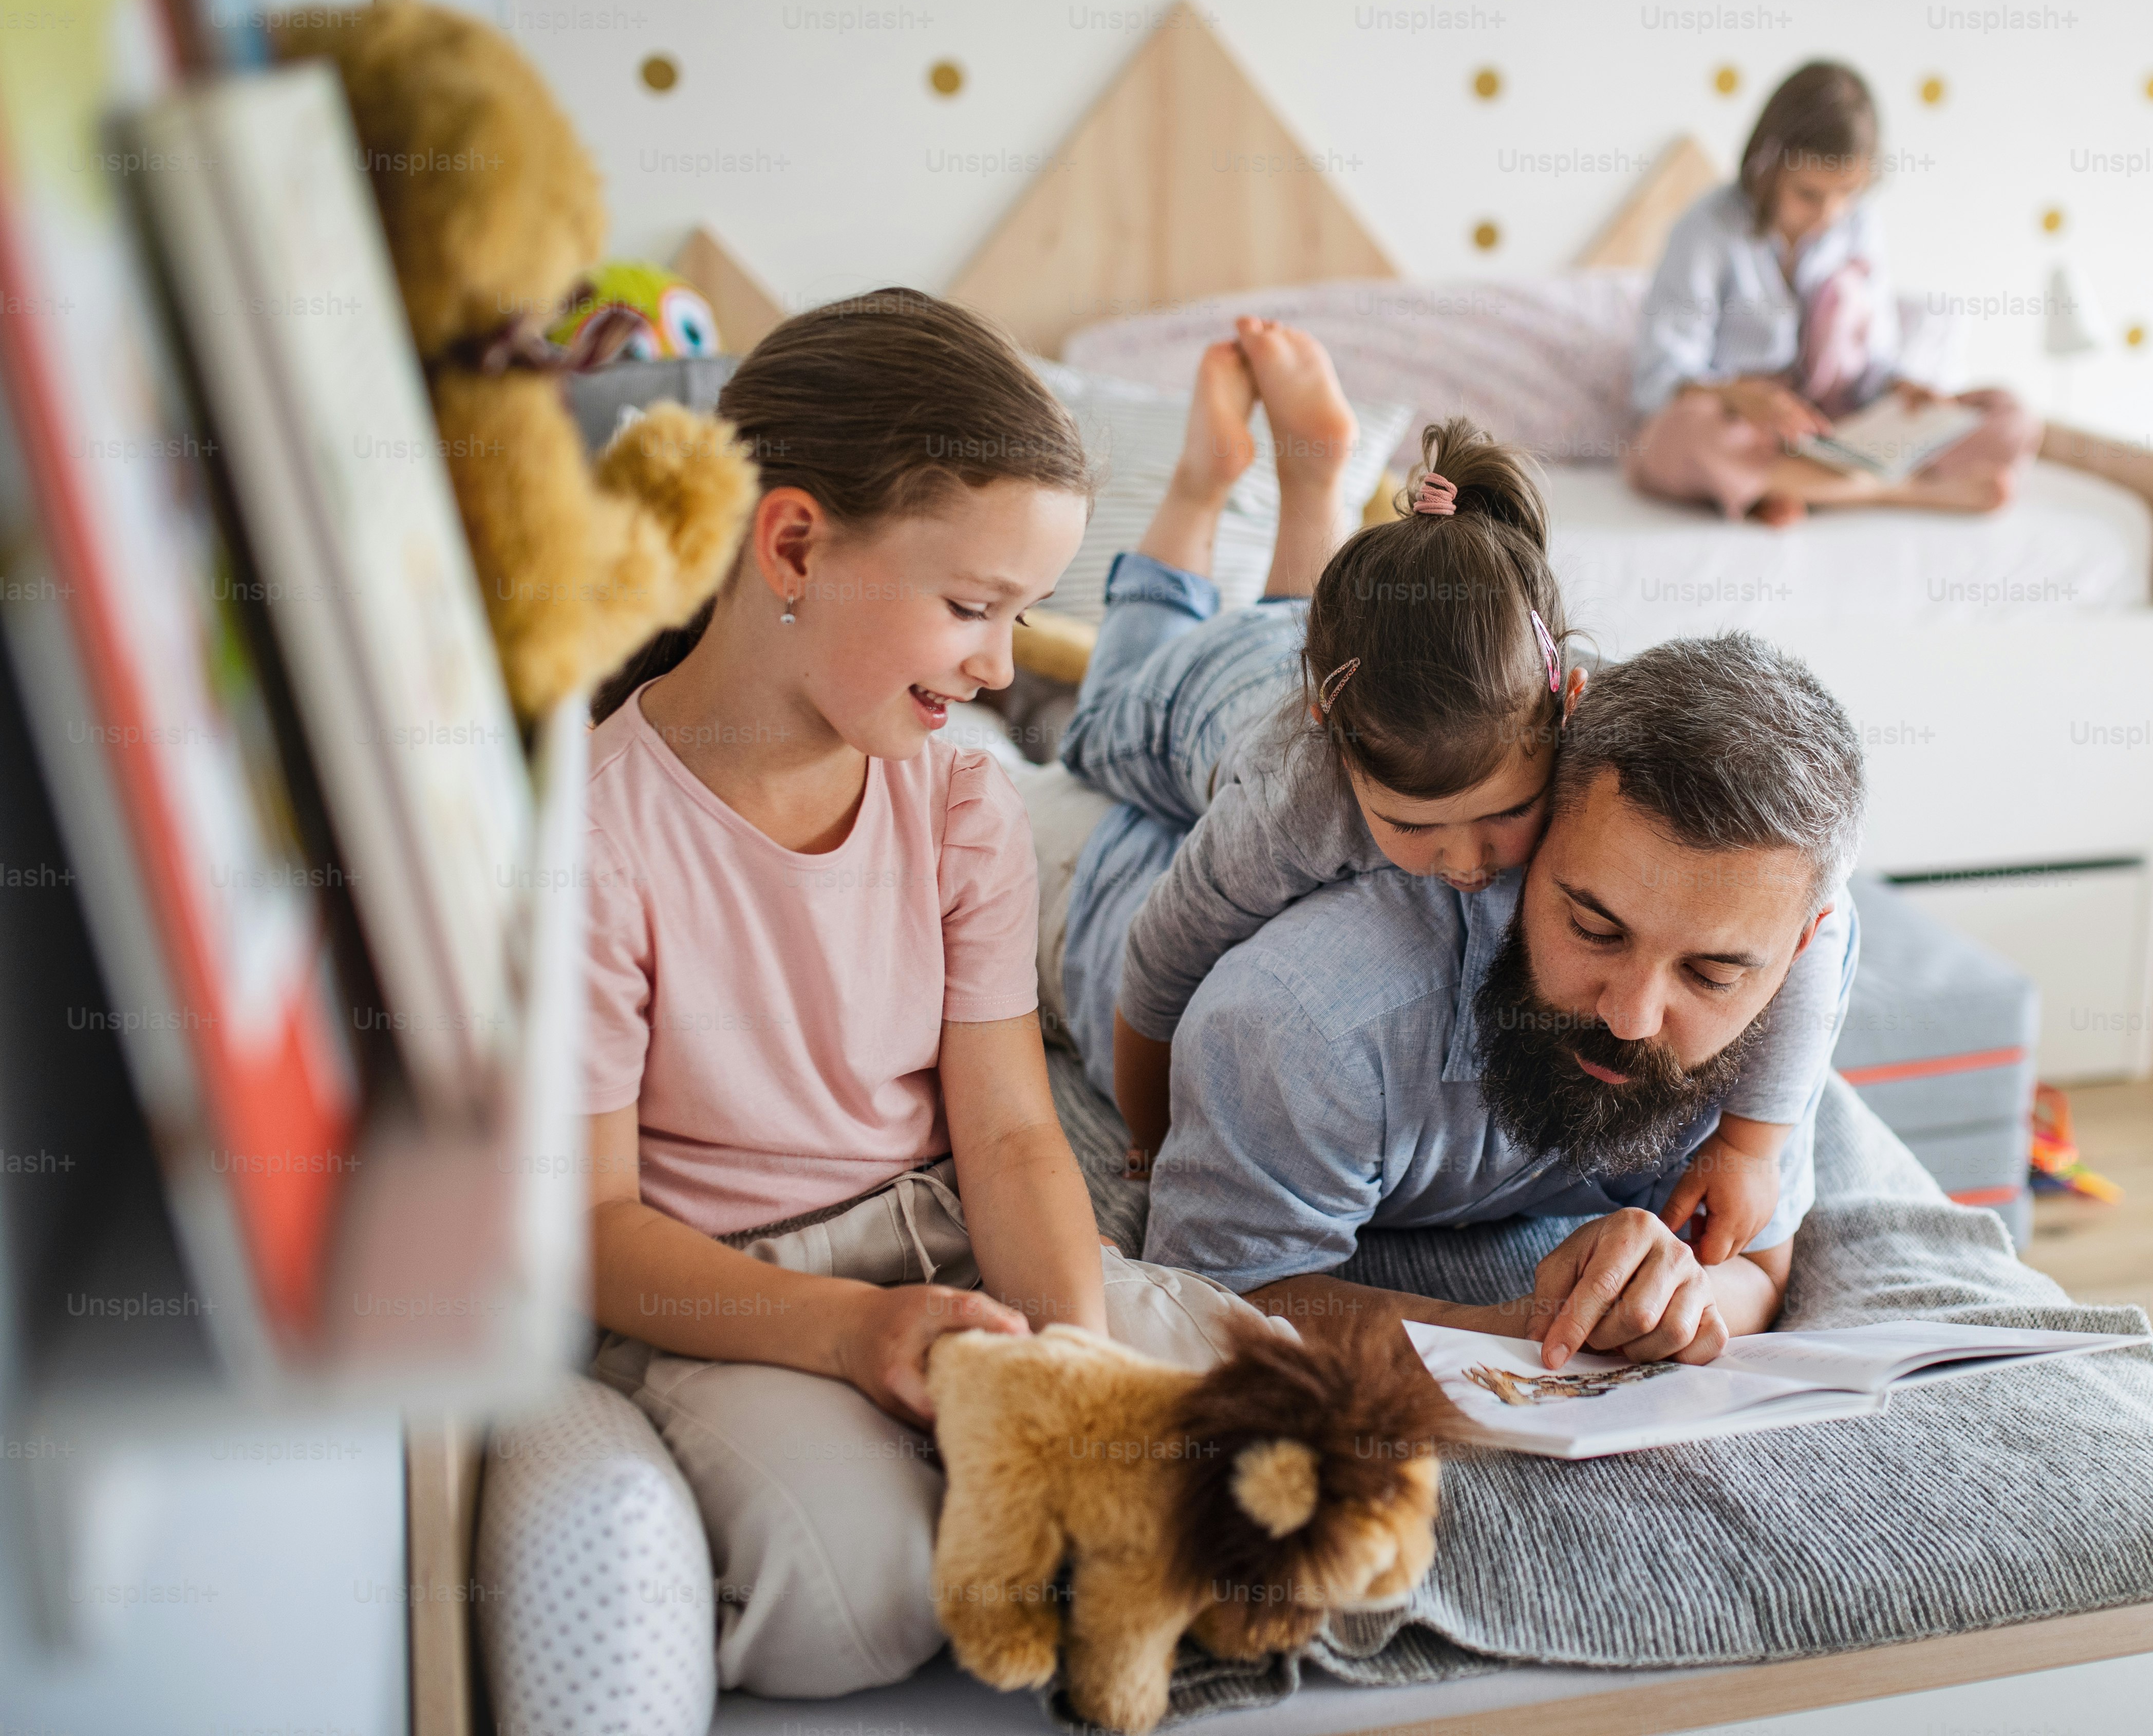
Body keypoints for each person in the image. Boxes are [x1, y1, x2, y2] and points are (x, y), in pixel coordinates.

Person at [573, 291, 1276, 1697]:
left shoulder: (961, 796)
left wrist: (1068, 1367)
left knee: (1264, 1435)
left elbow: (1013, 1134)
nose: (1002, 666)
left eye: (1021, 616)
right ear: (791, 544)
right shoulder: (593, 837)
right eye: (970, 607)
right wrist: (851, 1337)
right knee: (865, 1601)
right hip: (739, 1300)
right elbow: (594, 1233)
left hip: (949, 1245)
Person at [1056, 318, 1851, 1265]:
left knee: (1317, 623)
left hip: (1372, 669)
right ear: (1331, 736)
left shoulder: (1582, 727)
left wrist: (1750, 1144)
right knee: (1106, 703)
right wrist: (1147, 1141)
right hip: (1208, 700)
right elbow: (1159, 966)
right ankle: (1206, 479)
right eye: (1414, 827)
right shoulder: (1290, 804)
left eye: (1507, 814)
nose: (1469, 864)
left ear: (1571, 703)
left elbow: (1812, 912)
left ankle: (1313, 477)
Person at [1060, 628, 1865, 1370]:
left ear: (1797, 946)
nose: (1632, 1018)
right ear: (1539, 829)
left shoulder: (1773, 966)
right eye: (1593, 928)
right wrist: (1516, 1330)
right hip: (1098, 857)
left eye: (1711, 977)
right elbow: (1214, 1300)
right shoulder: (1309, 1021)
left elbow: (1757, 1266)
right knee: (1099, 715)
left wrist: (1673, 1300)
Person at [1628, 59, 2042, 525]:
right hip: (1748, 429)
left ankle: (1792, 490)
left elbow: (1873, 360)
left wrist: (1903, 386)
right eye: (1808, 194)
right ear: (1767, 167)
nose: (1830, 213)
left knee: (2012, 416)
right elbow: (1658, 380)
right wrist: (1742, 397)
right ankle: (1899, 492)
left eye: (1847, 192)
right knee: (1678, 436)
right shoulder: (1705, 230)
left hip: (1839, 432)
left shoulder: (1859, 225)